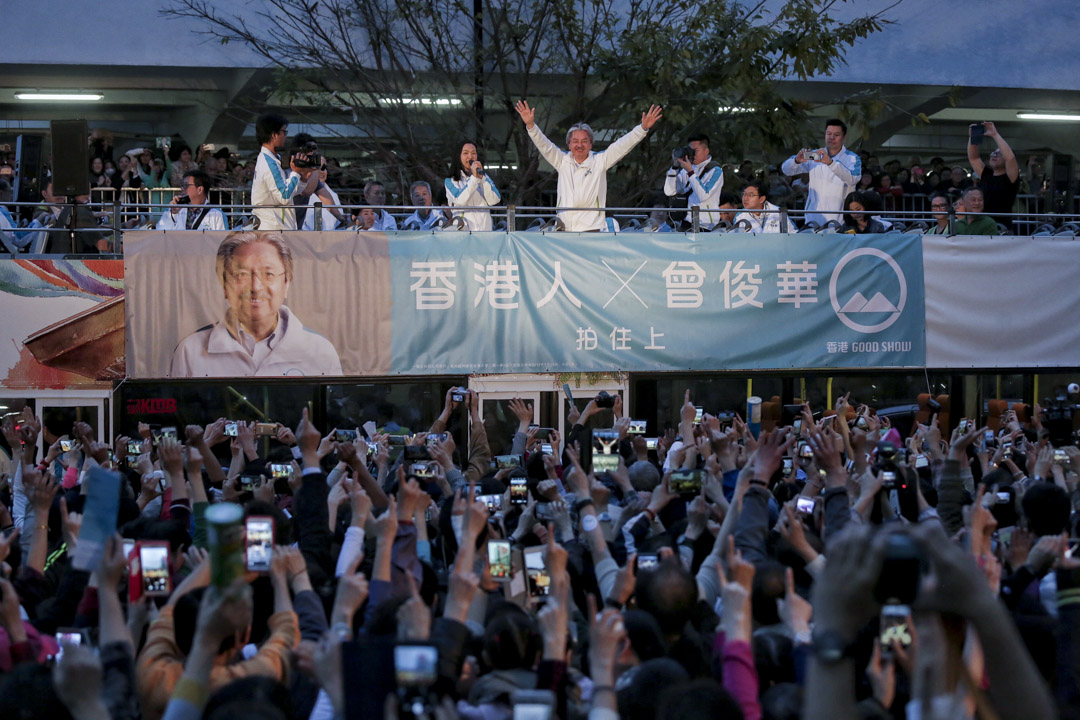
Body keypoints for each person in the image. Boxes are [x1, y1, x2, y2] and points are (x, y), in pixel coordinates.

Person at [169, 230, 343, 376]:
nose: (255, 286)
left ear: (286, 283)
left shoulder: (321, 352)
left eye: (268, 274)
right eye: (241, 275)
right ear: (223, 285)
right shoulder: (190, 352)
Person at [515, 99, 663, 231]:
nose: (580, 145)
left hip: (592, 230)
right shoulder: (561, 160)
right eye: (575, 141)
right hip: (564, 229)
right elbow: (544, 145)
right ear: (569, 143)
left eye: (584, 141)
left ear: (591, 144)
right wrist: (530, 125)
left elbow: (622, 145)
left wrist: (642, 129)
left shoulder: (600, 160)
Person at [781, 118, 861, 227]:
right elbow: (786, 170)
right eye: (829, 134)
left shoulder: (852, 158)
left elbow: (853, 179)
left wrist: (831, 163)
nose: (831, 137)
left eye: (836, 134)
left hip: (841, 220)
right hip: (813, 220)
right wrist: (797, 160)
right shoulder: (815, 154)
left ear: (844, 137)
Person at [250, 113, 320, 231]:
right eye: (284, 132)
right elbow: (284, 196)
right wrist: (296, 172)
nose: (286, 136)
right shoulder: (268, 163)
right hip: (272, 228)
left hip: (278, 226)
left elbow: (290, 191)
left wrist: (303, 178)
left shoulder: (273, 158)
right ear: (274, 135)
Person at [663, 133, 724, 229]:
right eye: (690, 150)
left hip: (706, 224)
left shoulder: (715, 170)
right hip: (686, 220)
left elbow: (703, 195)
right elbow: (669, 191)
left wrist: (690, 172)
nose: (692, 154)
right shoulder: (687, 169)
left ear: (706, 151)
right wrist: (674, 168)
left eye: (695, 150)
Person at [968, 121, 1021, 229]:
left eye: (999, 154)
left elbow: (1010, 158)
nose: (994, 155)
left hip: (1001, 227)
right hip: (982, 224)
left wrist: (995, 135)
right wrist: (972, 138)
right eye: (993, 153)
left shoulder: (1010, 176)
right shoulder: (987, 174)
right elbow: (974, 158)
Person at [444, 142, 501, 231]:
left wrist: (482, 179)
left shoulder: (484, 177)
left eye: (473, 153)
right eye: (465, 153)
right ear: (458, 156)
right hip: (464, 233)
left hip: (484, 233)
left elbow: (495, 200)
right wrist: (474, 179)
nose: (470, 157)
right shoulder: (450, 181)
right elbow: (460, 200)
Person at [155, 169, 227, 231]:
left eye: (186, 185)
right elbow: (161, 232)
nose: (182, 189)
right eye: (182, 185)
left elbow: (223, 243)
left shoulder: (217, 214)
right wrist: (172, 214)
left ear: (200, 190)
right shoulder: (174, 210)